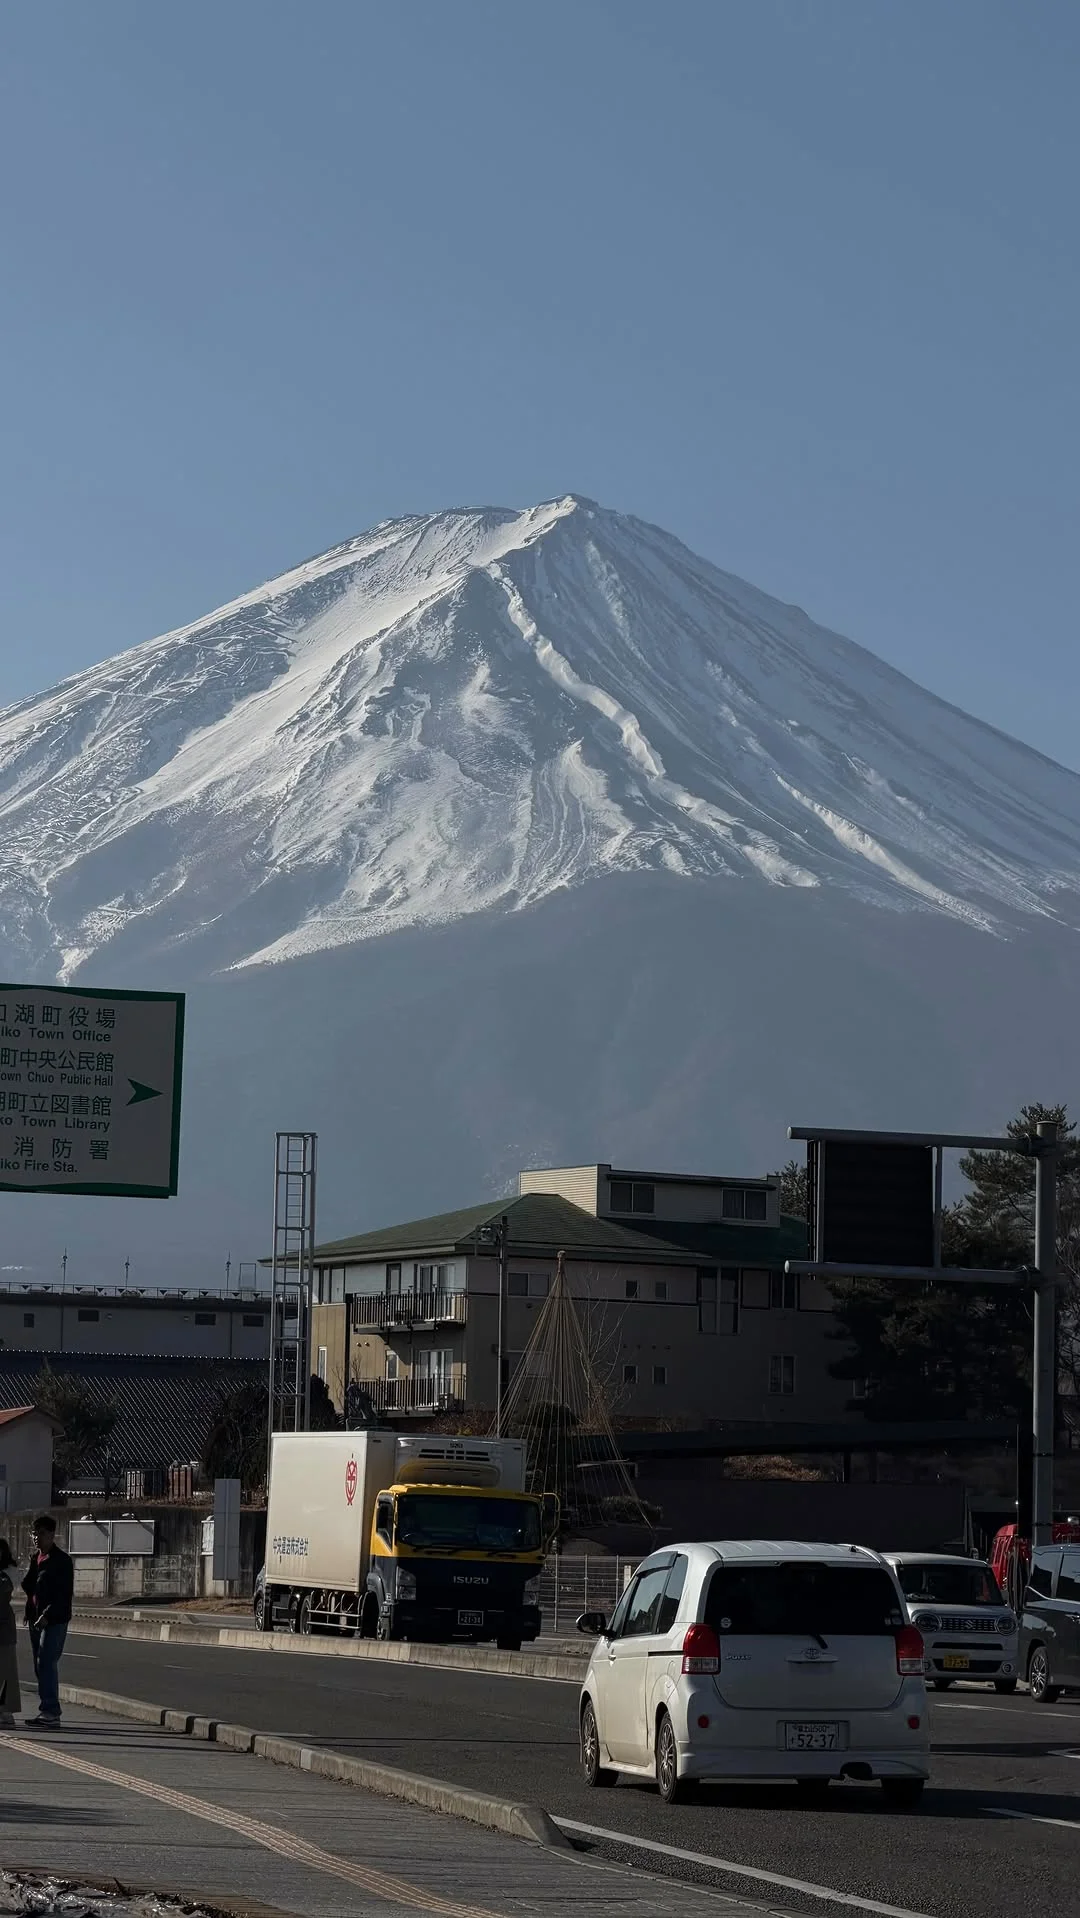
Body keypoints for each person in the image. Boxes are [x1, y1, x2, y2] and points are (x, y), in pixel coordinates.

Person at [22, 1514, 73, 1727]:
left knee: (46, 1662)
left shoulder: (61, 1561)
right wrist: (30, 1611)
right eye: (34, 1533)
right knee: (39, 1665)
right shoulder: (36, 1558)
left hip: (54, 1620)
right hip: (36, 1618)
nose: (37, 1537)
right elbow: (31, 1587)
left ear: (52, 1535)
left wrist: (47, 1615)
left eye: (41, 1533)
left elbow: (63, 1595)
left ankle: (51, 1711)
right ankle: (47, 1709)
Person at [0, 1540, 20, 1729]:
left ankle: (6, 1711)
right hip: (6, 1626)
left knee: (6, 1670)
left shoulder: (6, 1575)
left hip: (4, 1627)